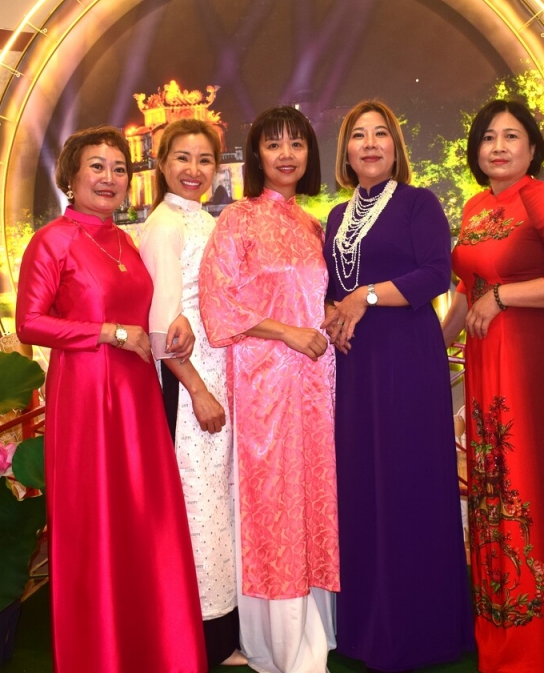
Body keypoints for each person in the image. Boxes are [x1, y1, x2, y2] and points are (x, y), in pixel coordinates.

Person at [15, 125, 206, 673]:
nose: (110, 178)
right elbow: (30, 322)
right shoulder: (52, 240)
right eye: (96, 167)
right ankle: (100, 655)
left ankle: (159, 651)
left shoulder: (126, 240)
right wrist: (107, 333)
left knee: (145, 519)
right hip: (85, 395)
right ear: (70, 177)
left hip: (137, 392)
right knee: (95, 521)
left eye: (119, 168)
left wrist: (175, 324)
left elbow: (149, 311)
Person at [321, 100, 473, 673]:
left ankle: (421, 631)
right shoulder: (337, 216)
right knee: (363, 484)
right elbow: (331, 285)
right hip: (354, 364)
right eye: (358, 135)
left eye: (380, 133)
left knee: (410, 481)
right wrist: (334, 309)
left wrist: (366, 296)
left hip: (407, 358)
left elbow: (437, 273)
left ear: (395, 146)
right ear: (346, 151)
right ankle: (366, 628)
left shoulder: (418, 202)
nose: (369, 143)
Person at [441, 99, 544, 673]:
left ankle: (541, 646)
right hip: (484, 357)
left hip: (527, 354)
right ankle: (501, 632)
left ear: (532, 147)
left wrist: (502, 297)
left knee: (524, 481)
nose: (499, 146)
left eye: (511, 136)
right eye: (488, 137)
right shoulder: (476, 206)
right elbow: (467, 288)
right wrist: (433, 346)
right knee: (492, 483)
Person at [199, 106, 339, 673]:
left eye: (296, 144)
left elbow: (321, 299)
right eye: (274, 144)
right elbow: (218, 305)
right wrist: (287, 333)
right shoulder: (237, 219)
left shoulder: (313, 224)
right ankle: (277, 643)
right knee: (272, 503)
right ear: (256, 155)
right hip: (264, 383)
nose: (286, 154)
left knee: (312, 494)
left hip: (316, 383)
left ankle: (317, 629)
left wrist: (334, 318)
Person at [135, 118, 245, 668]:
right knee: (197, 510)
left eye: (205, 160)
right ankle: (200, 639)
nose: (194, 170)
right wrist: (199, 391)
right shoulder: (164, 226)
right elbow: (160, 327)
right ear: (161, 164)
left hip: (217, 376)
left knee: (217, 507)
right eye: (182, 158)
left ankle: (224, 631)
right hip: (187, 385)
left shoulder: (203, 219)